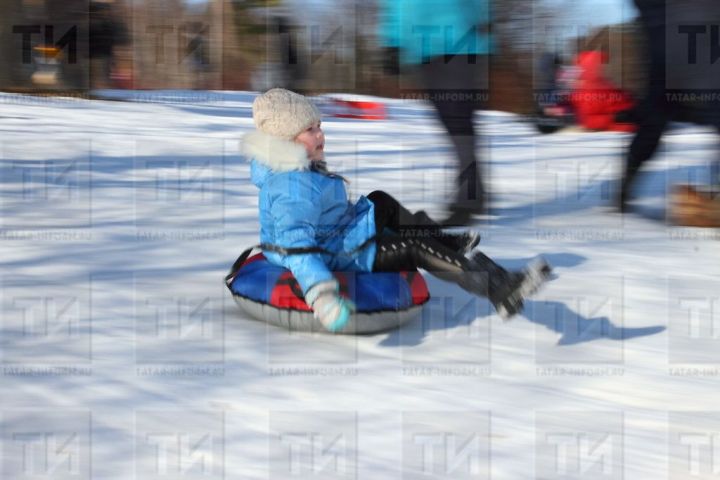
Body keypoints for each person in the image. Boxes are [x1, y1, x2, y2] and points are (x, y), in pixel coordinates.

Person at [242, 88, 549, 332]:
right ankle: (498, 288)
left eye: (319, 126)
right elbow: (297, 244)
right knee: (412, 246)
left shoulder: (298, 169)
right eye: (310, 129)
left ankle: (445, 242)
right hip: (333, 252)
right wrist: (322, 295)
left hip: (339, 233)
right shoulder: (290, 188)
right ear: (285, 139)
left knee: (380, 200)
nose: (321, 134)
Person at [377, 0, 493, 226]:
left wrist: (484, 24)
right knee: (451, 123)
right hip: (422, 48)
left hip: (460, 40)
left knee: (458, 120)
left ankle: (469, 197)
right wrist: (391, 42)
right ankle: (474, 192)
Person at [619, 0, 720, 212]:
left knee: (653, 120)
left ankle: (625, 184)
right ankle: (625, 186)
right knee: (653, 121)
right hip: (672, 51)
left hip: (685, 47)